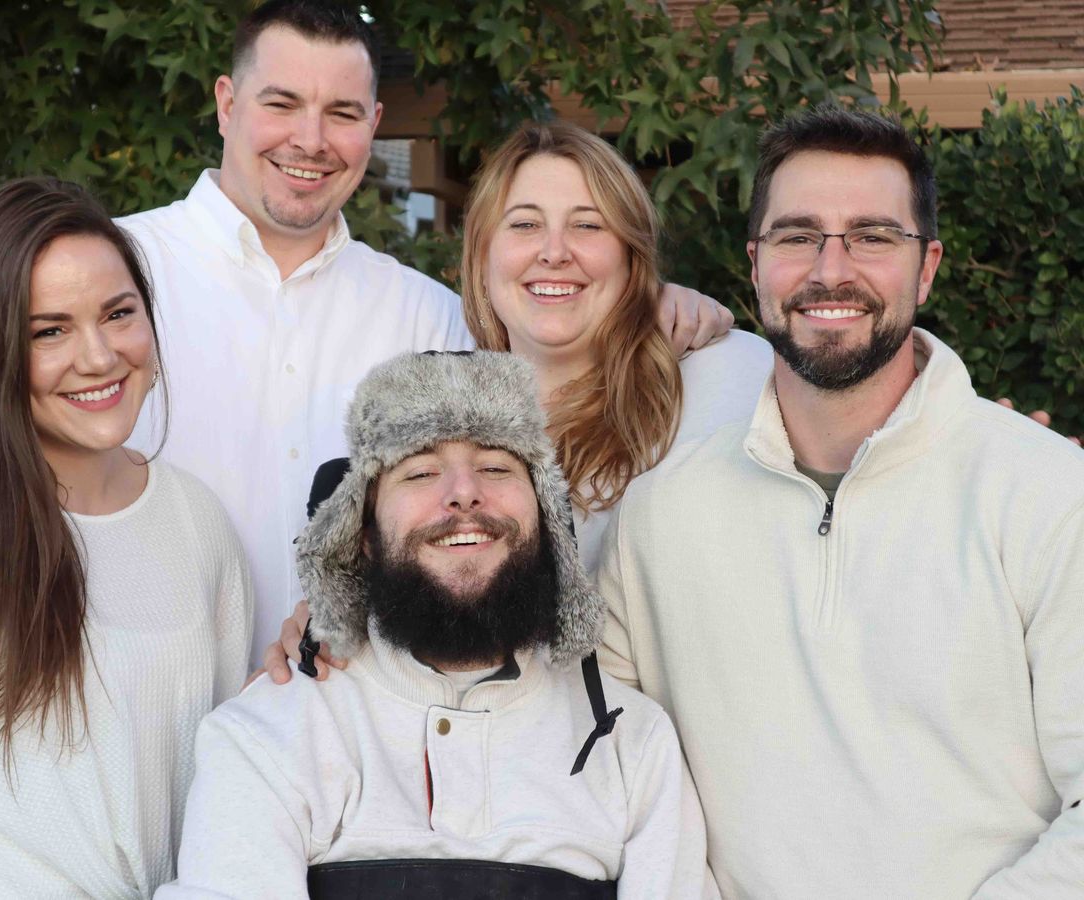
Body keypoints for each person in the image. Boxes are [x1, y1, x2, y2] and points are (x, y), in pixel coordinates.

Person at [0, 0, 728, 668]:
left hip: (326, 739)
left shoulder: (426, 313)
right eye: (282, 103)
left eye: (342, 112)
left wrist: (643, 301)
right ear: (226, 104)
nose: (311, 140)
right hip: (103, 695)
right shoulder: (104, 271)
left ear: (375, 123)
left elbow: (548, 353)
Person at [598, 104, 1084, 897]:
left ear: (926, 267)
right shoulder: (656, 517)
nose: (831, 269)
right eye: (797, 236)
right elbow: (612, 781)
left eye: (872, 236)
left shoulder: (1049, 494)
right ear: (755, 264)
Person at [159, 351, 717, 899]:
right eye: (421, 471)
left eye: (496, 467)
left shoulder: (631, 741)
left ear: (547, 517)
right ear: (363, 534)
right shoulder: (268, 734)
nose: (464, 492)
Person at [269, 120, 774, 680]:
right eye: (526, 224)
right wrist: (331, 621)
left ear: (630, 257)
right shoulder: (437, 431)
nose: (554, 252)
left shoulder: (721, 381)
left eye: (588, 225)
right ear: (482, 260)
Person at [0, 178, 252, 897]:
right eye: (49, 331)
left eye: (118, 313)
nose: (99, 357)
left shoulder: (198, 525)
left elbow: (219, 783)